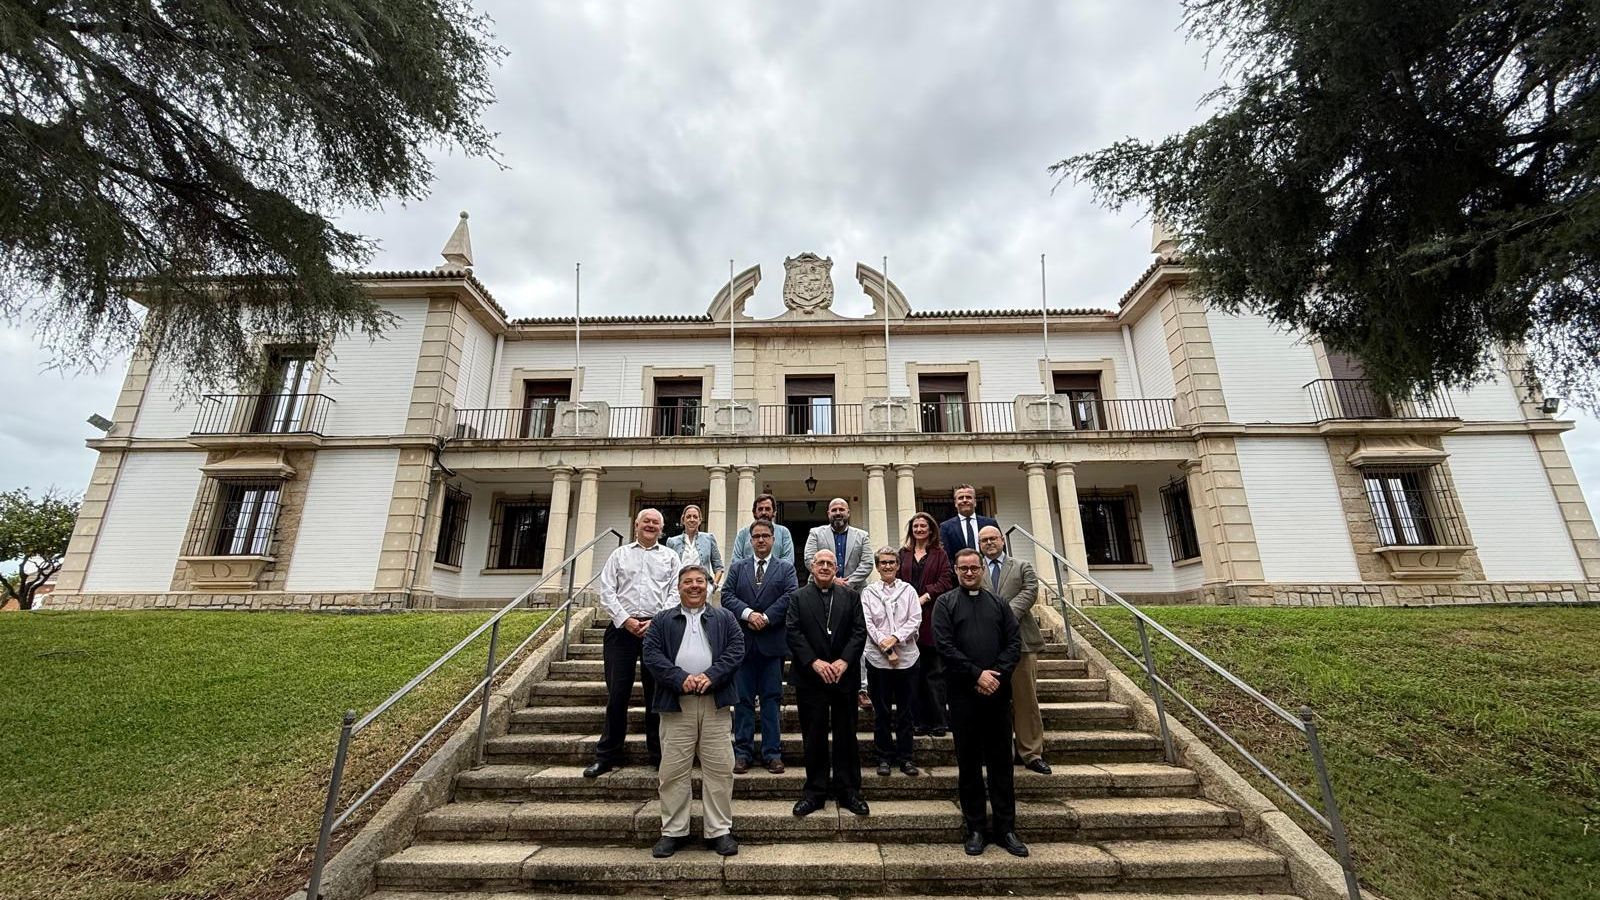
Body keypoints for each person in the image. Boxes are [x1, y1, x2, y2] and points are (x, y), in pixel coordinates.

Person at [642, 564, 744, 858]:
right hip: (676, 704)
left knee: (720, 769)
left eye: (700, 581)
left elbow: (736, 649)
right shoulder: (662, 620)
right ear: (679, 587)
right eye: (688, 581)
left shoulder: (724, 618)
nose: (695, 586)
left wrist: (712, 675)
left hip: (715, 702)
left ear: (708, 586)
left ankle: (719, 830)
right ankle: (673, 830)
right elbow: (651, 654)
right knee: (673, 770)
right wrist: (679, 678)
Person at [934, 548, 1027, 857]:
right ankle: (975, 828)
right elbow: (944, 646)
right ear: (956, 570)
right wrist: (976, 674)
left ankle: (1006, 828)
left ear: (982, 570)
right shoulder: (945, 604)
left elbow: (1013, 643)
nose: (970, 573)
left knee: (1001, 764)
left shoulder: (999, 604)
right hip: (963, 696)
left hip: (997, 696)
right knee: (969, 764)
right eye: (964, 568)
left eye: (974, 568)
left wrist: (995, 675)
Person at [584, 508, 680, 779]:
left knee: (655, 695)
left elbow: (676, 592)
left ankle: (658, 756)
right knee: (617, 694)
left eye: (656, 522)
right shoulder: (619, 555)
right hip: (621, 631)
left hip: (657, 630)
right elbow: (607, 590)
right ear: (636, 525)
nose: (651, 525)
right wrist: (625, 620)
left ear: (662, 529)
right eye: (646, 521)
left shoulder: (671, 557)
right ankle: (607, 756)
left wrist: (657, 620)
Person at [785, 549, 869, 817]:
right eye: (820, 563)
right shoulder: (798, 597)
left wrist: (844, 661)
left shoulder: (851, 596)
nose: (824, 567)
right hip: (811, 677)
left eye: (829, 563)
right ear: (811, 567)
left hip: (844, 677)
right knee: (813, 736)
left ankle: (849, 791)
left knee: (847, 735)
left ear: (836, 568)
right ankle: (814, 792)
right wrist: (815, 662)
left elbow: (859, 631)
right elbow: (793, 632)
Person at [720, 520, 798, 774]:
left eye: (765, 535)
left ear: (773, 539)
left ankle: (772, 753)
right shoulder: (738, 567)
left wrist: (765, 617)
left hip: (771, 644)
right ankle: (742, 753)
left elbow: (791, 595)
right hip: (742, 644)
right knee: (742, 700)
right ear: (750, 540)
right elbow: (727, 595)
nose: (761, 540)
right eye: (756, 536)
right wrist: (748, 614)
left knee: (771, 700)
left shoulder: (785, 568)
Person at [977, 525, 1049, 774]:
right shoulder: (976, 569)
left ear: (1002, 540)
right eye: (984, 540)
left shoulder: (1022, 566)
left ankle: (1031, 752)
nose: (989, 543)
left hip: (1022, 642)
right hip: (988, 646)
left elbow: (1030, 591)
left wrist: (1004, 614)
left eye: (993, 538)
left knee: (1025, 699)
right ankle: (998, 751)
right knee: (992, 702)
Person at [860, 547, 922, 776]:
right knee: (882, 711)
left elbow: (915, 619)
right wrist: (884, 645)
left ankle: (906, 758)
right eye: (883, 562)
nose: (887, 566)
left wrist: (895, 638)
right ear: (877, 567)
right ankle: (883, 757)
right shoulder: (868, 593)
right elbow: (868, 622)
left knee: (906, 712)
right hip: (878, 659)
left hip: (907, 658)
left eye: (891, 562)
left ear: (898, 565)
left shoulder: (909, 591)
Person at [898, 511, 952, 736]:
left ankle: (939, 721)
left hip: (931, 618)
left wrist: (925, 596)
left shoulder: (940, 554)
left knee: (934, 673)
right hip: (906, 618)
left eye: (923, 526)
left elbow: (946, 581)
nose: (919, 529)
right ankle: (918, 722)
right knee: (913, 675)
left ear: (931, 530)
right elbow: (896, 580)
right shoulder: (903, 553)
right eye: (916, 526)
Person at [802, 497, 873, 589]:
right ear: (828, 514)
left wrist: (848, 583)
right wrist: (833, 579)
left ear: (848, 513)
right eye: (834, 510)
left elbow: (867, 563)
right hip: (819, 588)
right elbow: (809, 560)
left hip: (854, 589)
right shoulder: (815, 533)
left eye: (841, 509)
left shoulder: (862, 536)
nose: (838, 513)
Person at [730, 493, 796, 565]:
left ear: (774, 512)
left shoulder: (783, 532)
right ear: (754, 512)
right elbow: (736, 561)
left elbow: (788, 561)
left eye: (767, 509)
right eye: (760, 509)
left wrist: (769, 569)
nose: (764, 512)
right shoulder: (743, 533)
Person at [938, 484, 999, 561]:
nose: (964, 500)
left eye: (968, 497)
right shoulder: (946, 527)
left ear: (975, 502)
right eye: (961, 498)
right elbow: (945, 556)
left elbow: (1000, 548)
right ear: (955, 503)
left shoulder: (990, 523)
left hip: (988, 567)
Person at [665, 504, 724, 583]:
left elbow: (718, 567)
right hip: (680, 586)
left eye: (695, 517)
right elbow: (667, 568)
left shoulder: (709, 539)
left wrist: (713, 585)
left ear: (700, 521)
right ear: (683, 520)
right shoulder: (672, 542)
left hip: (702, 586)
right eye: (688, 517)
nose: (692, 520)